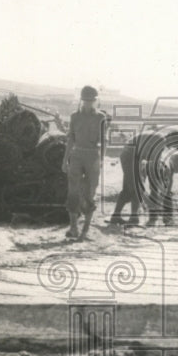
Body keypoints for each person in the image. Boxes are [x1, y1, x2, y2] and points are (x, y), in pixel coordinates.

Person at [62, 85, 107, 240]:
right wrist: (65, 160)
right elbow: (71, 139)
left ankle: (85, 229)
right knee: (73, 192)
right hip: (76, 155)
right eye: (86, 100)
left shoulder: (100, 118)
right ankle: (73, 228)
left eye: (91, 100)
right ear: (81, 100)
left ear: (95, 101)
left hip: (93, 156)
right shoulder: (75, 116)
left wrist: (101, 160)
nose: (88, 103)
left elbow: (104, 141)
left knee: (90, 193)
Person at [144, 131, 178, 226]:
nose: (173, 147)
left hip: (163, 168)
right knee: (157, 193)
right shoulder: (161, 142)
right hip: (158, 167)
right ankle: (156, 219)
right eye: (174, 145)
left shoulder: (166, 147)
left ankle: (162, 219)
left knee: (162, 194)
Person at [109, 134, 143, 226]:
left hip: (130, 155)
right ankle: (133, 218)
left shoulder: (157, 138)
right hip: (130, 156)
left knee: (129, 189)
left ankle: (116, 216)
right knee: (136, 188)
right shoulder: (160, 140)